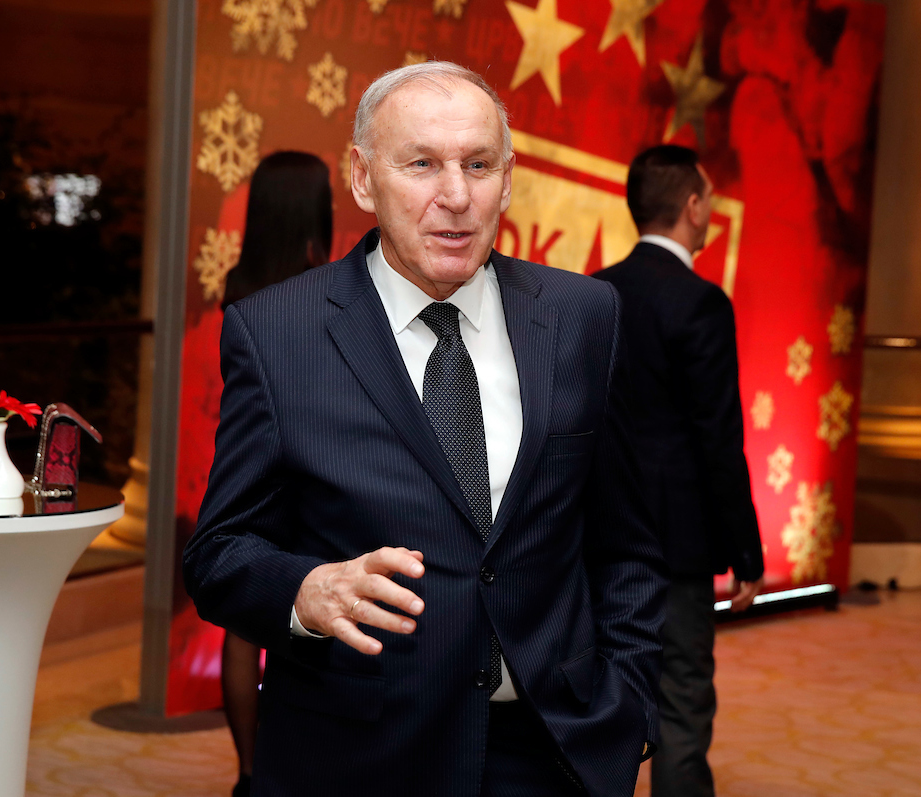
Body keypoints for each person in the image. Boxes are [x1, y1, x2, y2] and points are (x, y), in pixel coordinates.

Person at [183, 61, 667, 796]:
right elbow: (219, 553)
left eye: (478, 165)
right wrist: (306, 590)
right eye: (421, 165)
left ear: (508, 178)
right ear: (362, 178)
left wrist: (627, 706)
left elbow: (626, 538)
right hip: (361, 757)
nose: (456, 196)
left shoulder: (582, 317)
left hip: (552, 751)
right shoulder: (277, 333)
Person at [593, 145, 765, 797]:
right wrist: (746, 551)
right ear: (693, 207)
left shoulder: (593, 291)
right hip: (675, 545)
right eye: (710, 198)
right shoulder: (701, 302)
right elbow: (718, 439)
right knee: (682, 700)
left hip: (596, 534)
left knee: (598, 695)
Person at [218, 150, 334, 797]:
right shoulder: (326, 290)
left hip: (252, 463)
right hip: (314, 469)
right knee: (305, 616)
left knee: (245, 624)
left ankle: (248, 771)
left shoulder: (241, 286)